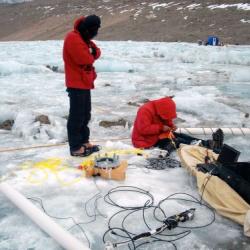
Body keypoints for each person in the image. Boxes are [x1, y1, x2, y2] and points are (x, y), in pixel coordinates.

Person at [63, 15, 101, 156]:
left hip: (84, 83)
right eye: (94, 30)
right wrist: (91, 53)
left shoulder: (84, 38)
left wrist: (92, 52)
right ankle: (75, 147)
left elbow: (97, 52)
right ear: (88, 29)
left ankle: (84, 141)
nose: (94, 34)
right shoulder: (73, 38)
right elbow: (84, 58)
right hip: (76, 83)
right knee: (76, 116)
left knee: (85, 115)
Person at [131, 97, 223, 154]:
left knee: (181, 135)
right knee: (177, 141)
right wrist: (161, 128)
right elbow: (143, 129)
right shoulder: (144, 110)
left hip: (157, 135)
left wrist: (171, 126)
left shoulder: (161, 107)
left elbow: (166, 119)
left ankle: (208, 143)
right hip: (145, 140)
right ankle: (202, 146)